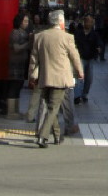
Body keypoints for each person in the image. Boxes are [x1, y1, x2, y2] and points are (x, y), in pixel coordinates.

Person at [28, 9, 84, 148]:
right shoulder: (67, 37)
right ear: (60, 22)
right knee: (53, 108)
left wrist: (31, 75)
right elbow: (75, 56)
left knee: (49, 105)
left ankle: (58, 135)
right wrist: (80, 72)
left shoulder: (39, 36)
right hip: (60, 78)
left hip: (44, 77)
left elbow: (33, 59)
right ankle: (43, 136)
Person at [73, 15, 101, 104]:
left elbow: (99, 44)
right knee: (79, 77)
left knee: (89, 79)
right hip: (80, 57)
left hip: (90, 58)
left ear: (92, 23)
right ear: (84, 22)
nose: (88, 23)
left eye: (90, 22)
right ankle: (77, 96)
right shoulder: (78, 33)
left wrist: (98, 49)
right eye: (87, 22)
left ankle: (84, 94)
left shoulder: (94, 34)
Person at [7, 13, 31, 112]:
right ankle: (11, 110)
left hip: (21, 63)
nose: (26, 23)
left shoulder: (24, 33)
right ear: (19, 22)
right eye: (25, 21)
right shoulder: (15, 33)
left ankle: (15, 110)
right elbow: (16, 48)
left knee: (18, 85)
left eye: (27, 21)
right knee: (14, 86)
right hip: (15, 63)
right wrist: (28, 44)